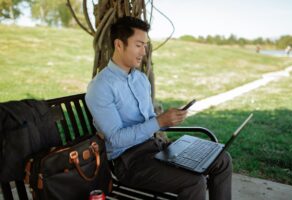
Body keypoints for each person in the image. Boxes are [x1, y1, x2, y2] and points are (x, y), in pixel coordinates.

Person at [85, 16, 232, 200]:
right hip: (128, 162)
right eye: (138, 45)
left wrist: (167, 119)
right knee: (195, 181)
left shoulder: (140, 80)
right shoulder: (101, 87)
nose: (143, 52)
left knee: (222, 159)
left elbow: (150, 122)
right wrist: (158, 121)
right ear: (119, 45)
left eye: (145, 45)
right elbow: (115, 139)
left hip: (156, 148)